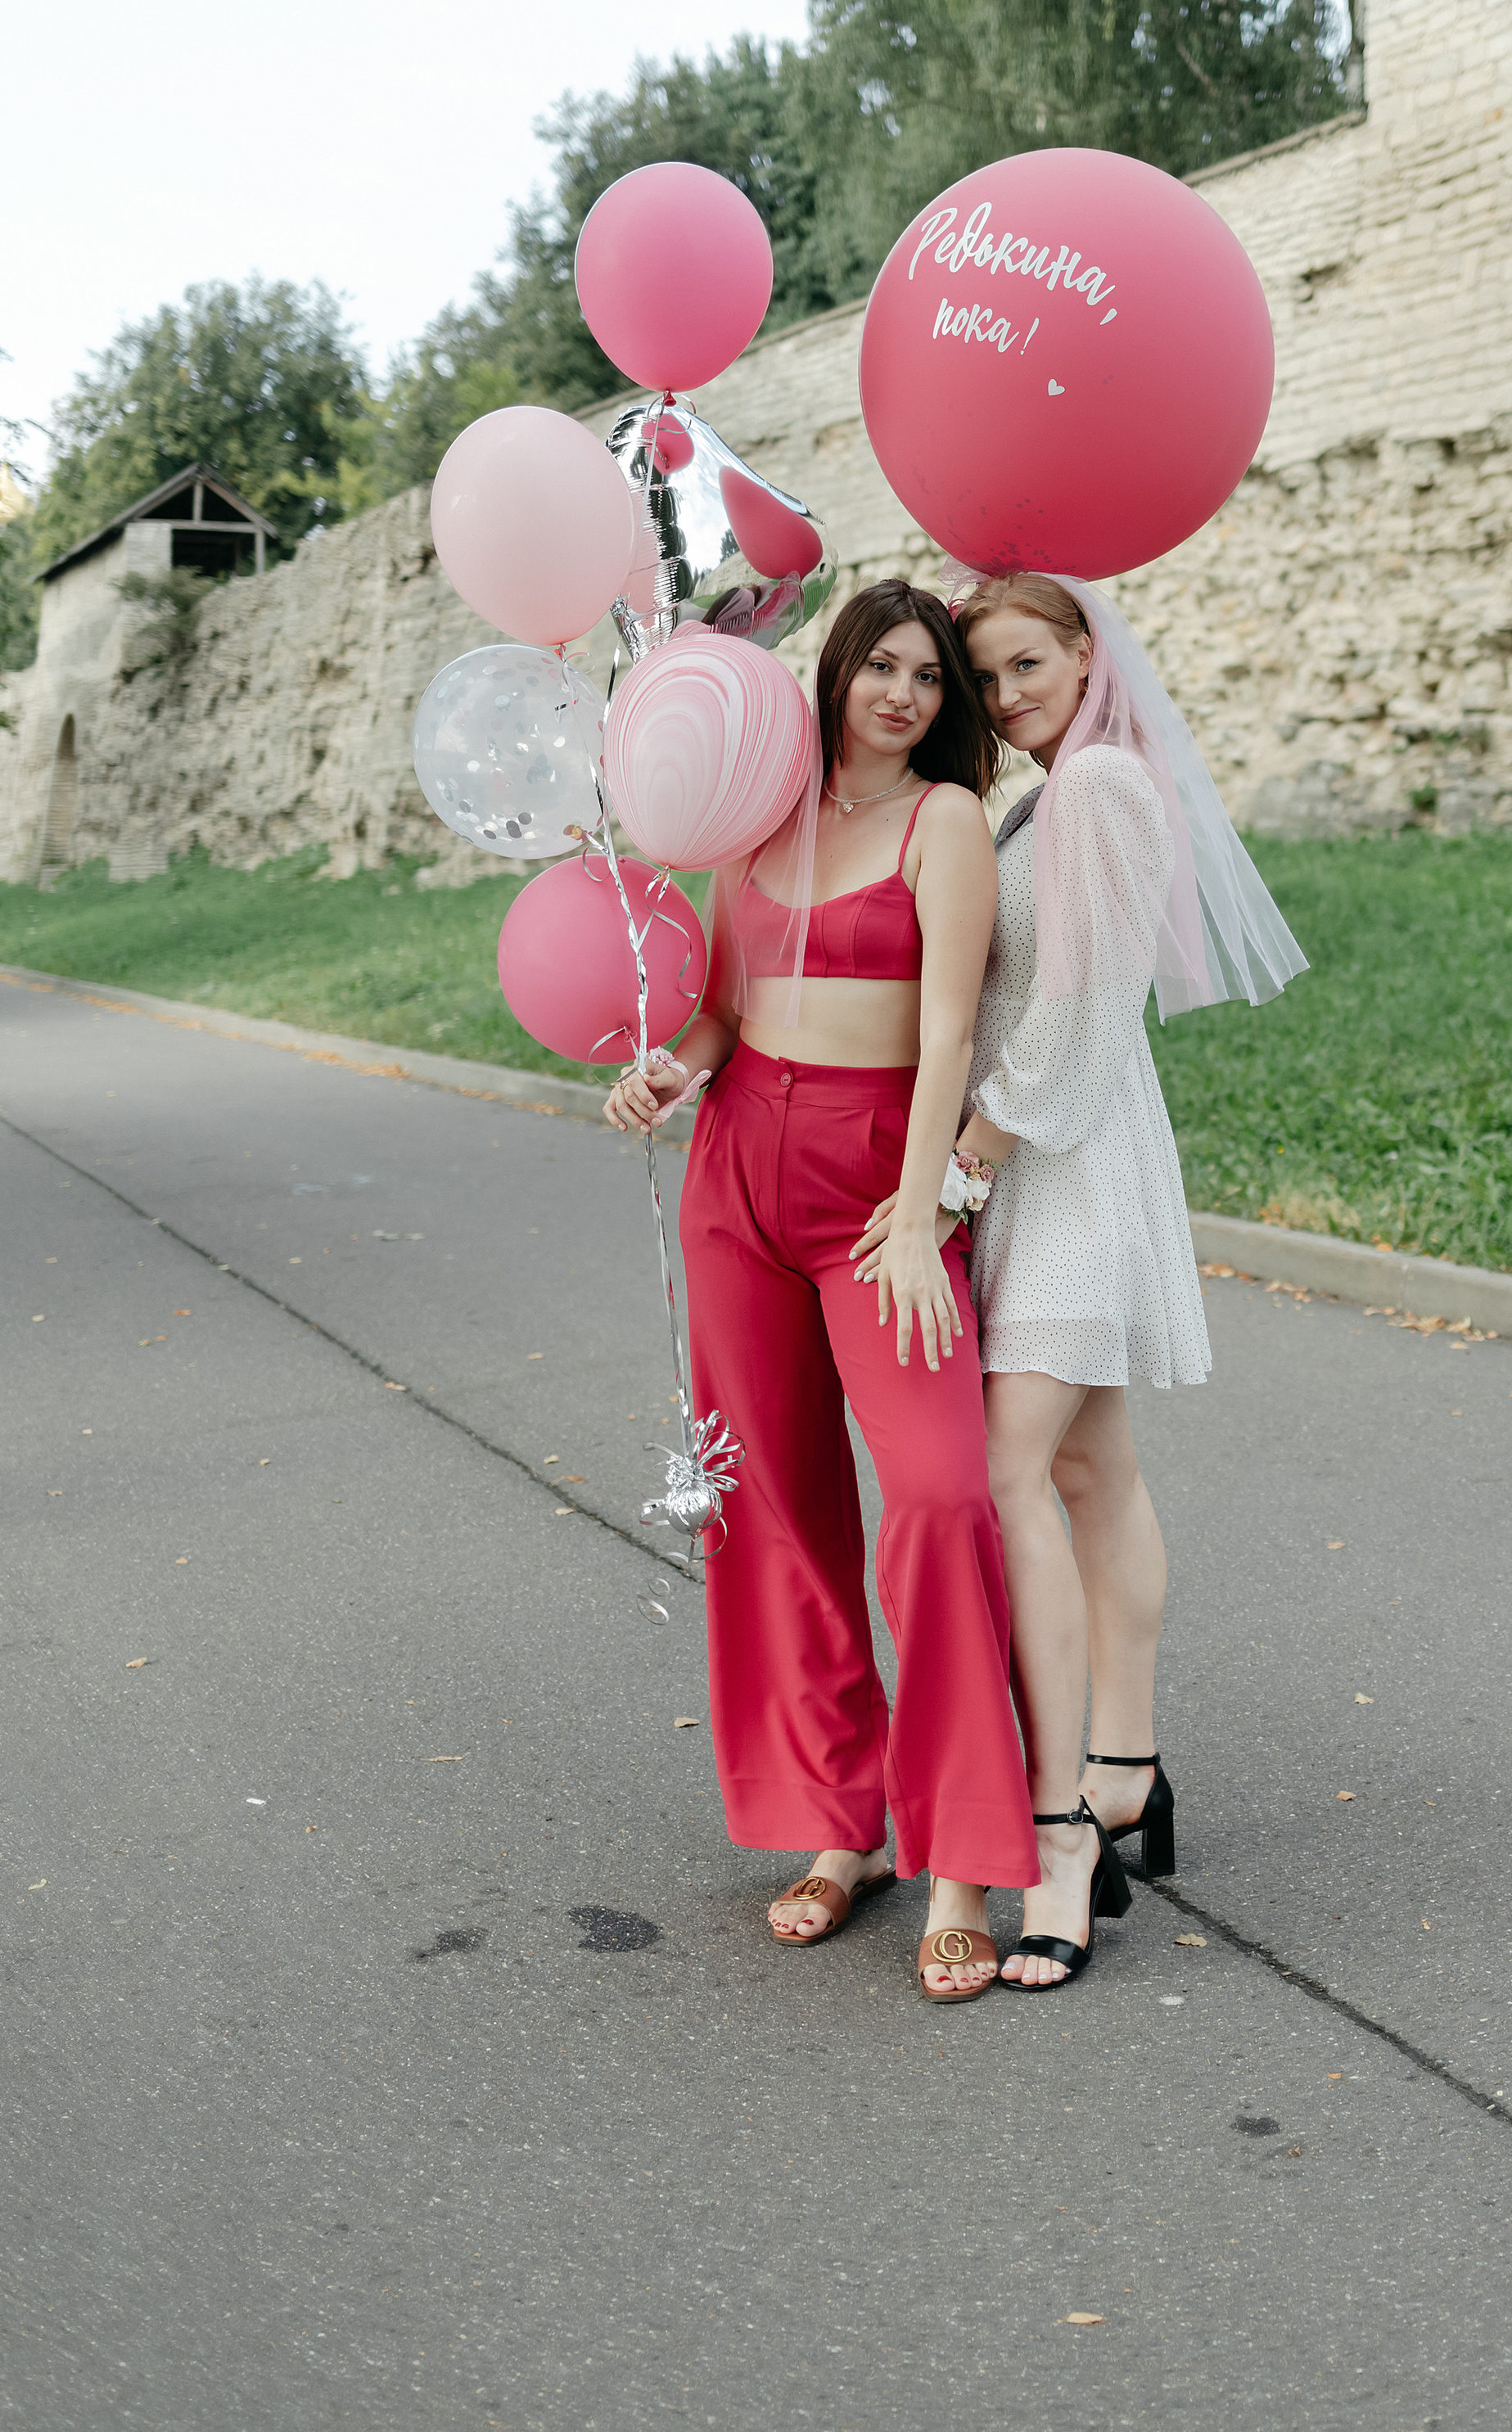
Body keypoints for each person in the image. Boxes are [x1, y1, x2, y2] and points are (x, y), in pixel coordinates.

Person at [858, 571, 1306, 1991]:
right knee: (1095, 1477)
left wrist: (970, 1161)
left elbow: (1089, 1005)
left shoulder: (1102, 787)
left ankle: (1058, 1836)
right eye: (984, 676)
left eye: (1026, 662)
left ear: (1087, 655)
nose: (1005, 695)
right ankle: (1127, 1766)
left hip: (1065, 1168)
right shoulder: (1050, 793)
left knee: (1007, 1474)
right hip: (1045, 1161)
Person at [604, 581, 1034, 2003]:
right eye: (883, 668)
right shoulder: (763, 812)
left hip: (875, 1189)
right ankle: (834, 1828)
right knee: (778, 1507)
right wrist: (674, 1067)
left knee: (937, 1494)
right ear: (836, 671)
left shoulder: (945, 821)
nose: (904, 695)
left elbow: (952, 1030)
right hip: (735, 1178)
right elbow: (726, 1006)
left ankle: (963, 1862)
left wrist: (920, 1219)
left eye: (929, 678)